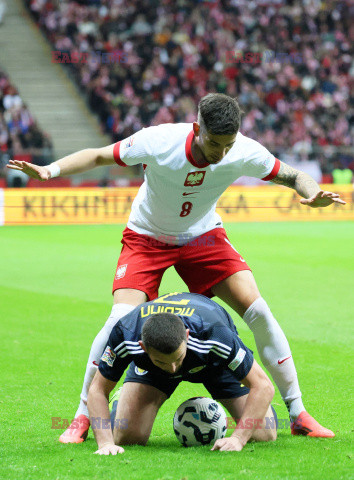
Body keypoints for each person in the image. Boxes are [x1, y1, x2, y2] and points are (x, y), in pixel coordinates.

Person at [7, 93, 342, 443]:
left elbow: (292, 175)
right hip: (147, 237)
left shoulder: (243, 149)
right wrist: (50, 170)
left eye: (228, 145)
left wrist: (313, 191)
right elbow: (98, 155)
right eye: (214, 143)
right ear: (197, 129)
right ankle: (82, 416)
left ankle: (298, 412)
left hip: (203, 237)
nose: (221, 154)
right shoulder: (159, 141)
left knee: (258, 310)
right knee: (118, 319)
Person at [87, 292, 277, 455]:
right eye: (162, 361)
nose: (172, 368)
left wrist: (238, 438)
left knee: (264, 433)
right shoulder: (125, 333)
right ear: (143, 347)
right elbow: (97, 389)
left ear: (186, 336)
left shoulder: (215, 334)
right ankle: (122, 400)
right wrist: (105, 444)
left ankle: (257, 407)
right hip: (153, 372)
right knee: (127, 437)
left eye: (177, 359)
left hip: (214, 363)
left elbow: (263, 386)